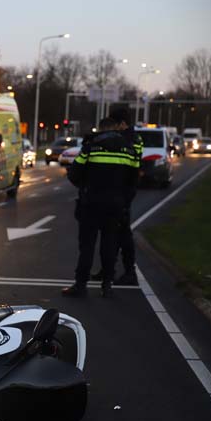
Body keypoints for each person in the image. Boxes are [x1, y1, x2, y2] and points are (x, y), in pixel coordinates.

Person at [63, 117, 139, 297]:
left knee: (87, 245)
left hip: (91, 203)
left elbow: (74, 173)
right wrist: (124, 200)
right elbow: (134, 180)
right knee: (110, 244)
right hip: (115, 205)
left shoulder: (91, 146)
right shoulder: (129, 149)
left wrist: (85, 187)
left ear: (102, 129)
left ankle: (81, 285)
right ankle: (107, 285)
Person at [90, 109, 143, 285]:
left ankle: (129, 272)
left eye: (115, 124)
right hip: (119, 193)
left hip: (123, 193)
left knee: (124, 236)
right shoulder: (126, 138)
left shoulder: (132, 140)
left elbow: (133, 168)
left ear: (121, 124)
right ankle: (107, 270)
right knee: (111, 235)